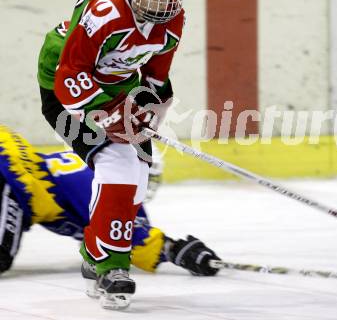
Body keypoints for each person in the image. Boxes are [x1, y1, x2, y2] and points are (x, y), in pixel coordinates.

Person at [36, 0, 194, 309]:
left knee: (137, 176)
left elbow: (155, 77)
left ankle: (94, 255)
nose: (162, 0)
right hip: (64, 87)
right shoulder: (105, 12)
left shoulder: (173, 18)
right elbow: (68, 76)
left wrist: (146, 113)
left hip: (117, 85)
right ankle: (111, 265)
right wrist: (107, 115)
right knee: (117, 164)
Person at [0, 125, 221, 307]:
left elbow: (103, 237)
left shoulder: (99, 167)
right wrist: (174, 250)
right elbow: (130, 239)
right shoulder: (113, 186)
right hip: (13, 179)